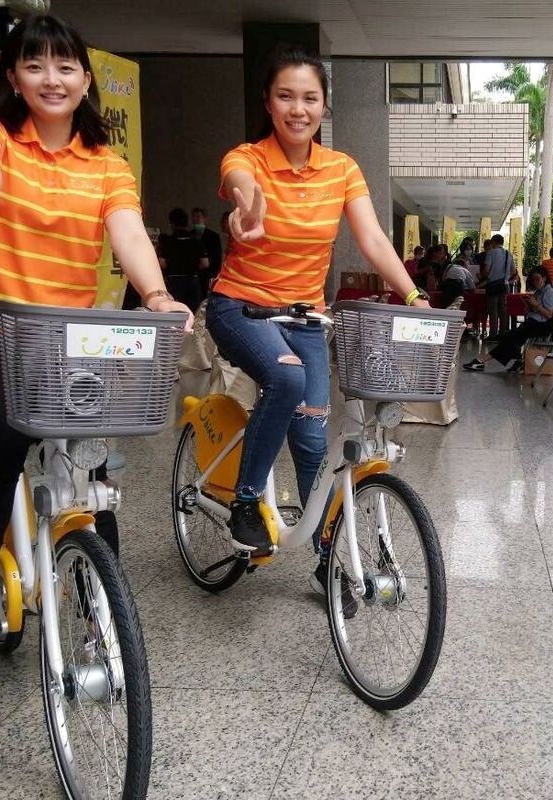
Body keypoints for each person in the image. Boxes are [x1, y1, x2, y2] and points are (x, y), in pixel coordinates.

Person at [0, 15, 192, 632]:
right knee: (2, 432)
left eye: (66, 66)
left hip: (54, 335)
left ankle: (104, 602)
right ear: (14, 77)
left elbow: (126, 228)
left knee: (88, 455)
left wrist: (155, 295)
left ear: (86, 79)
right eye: (35, 65)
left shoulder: (106, 164)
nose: (52, 79)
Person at [206, 45, 429, 591]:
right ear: (268, 101)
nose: (298, 109)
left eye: (309, 98)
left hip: (305, 317)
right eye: (286, 96)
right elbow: (239, 183)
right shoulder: (249, 158)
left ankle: (328, 562)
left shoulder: (342, 169)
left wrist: (413, 292)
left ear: (324, 105)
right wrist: (247, 206)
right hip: (241, 307)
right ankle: (245, 502)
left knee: (311, 437)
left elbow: (373, 238)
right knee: (284, 378)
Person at [462, 265, 553, 373]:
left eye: (537, 279)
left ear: (544, 278)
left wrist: (535, 305)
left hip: (541, 326)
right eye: (533, 280)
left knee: (512, 339)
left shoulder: (549, 292)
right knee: (511, 338)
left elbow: (549, 315)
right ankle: (515, 360)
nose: (535, 282)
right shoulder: (539, 291)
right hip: (533, 323)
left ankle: (482, 360)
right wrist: (529, 305)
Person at [158, 207, 208, 311]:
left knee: (174, 312)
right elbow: (205, 263)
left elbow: (162, 263)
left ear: (172, 224)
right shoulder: (196, 241)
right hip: (193, 281)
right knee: (192, 312)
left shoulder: (168, 241)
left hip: (174, 281)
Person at [479, 233, 519, 339]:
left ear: (493, 242)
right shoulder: (508, 254)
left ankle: (493, 334)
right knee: (503, 311)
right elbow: (513, 271)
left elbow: (486, 270)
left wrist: (481, 275)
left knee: (493, 311)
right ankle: (503, 333)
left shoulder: (491, 253)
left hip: (492, 285)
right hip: (505, 286)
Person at [192, 206, 223, 293]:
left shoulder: (213, 236)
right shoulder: (190, 235)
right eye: (193, 217)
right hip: (193, 274)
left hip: (207, 274)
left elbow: (217, 257)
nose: (195, 219)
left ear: (204, 218)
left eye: (198, 216)